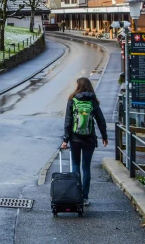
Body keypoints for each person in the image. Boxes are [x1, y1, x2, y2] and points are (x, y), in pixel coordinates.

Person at [61, 77, 108, 205]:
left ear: (78, 86)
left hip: (75, 138)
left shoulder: (72, 100)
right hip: (89, 139)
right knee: (86, 167)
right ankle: (85, 197)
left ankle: (76, 195)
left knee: (75, 164)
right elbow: (100, 120)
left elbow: (68, 121)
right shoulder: (93, 101)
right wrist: (104, 136)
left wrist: (65, 139)